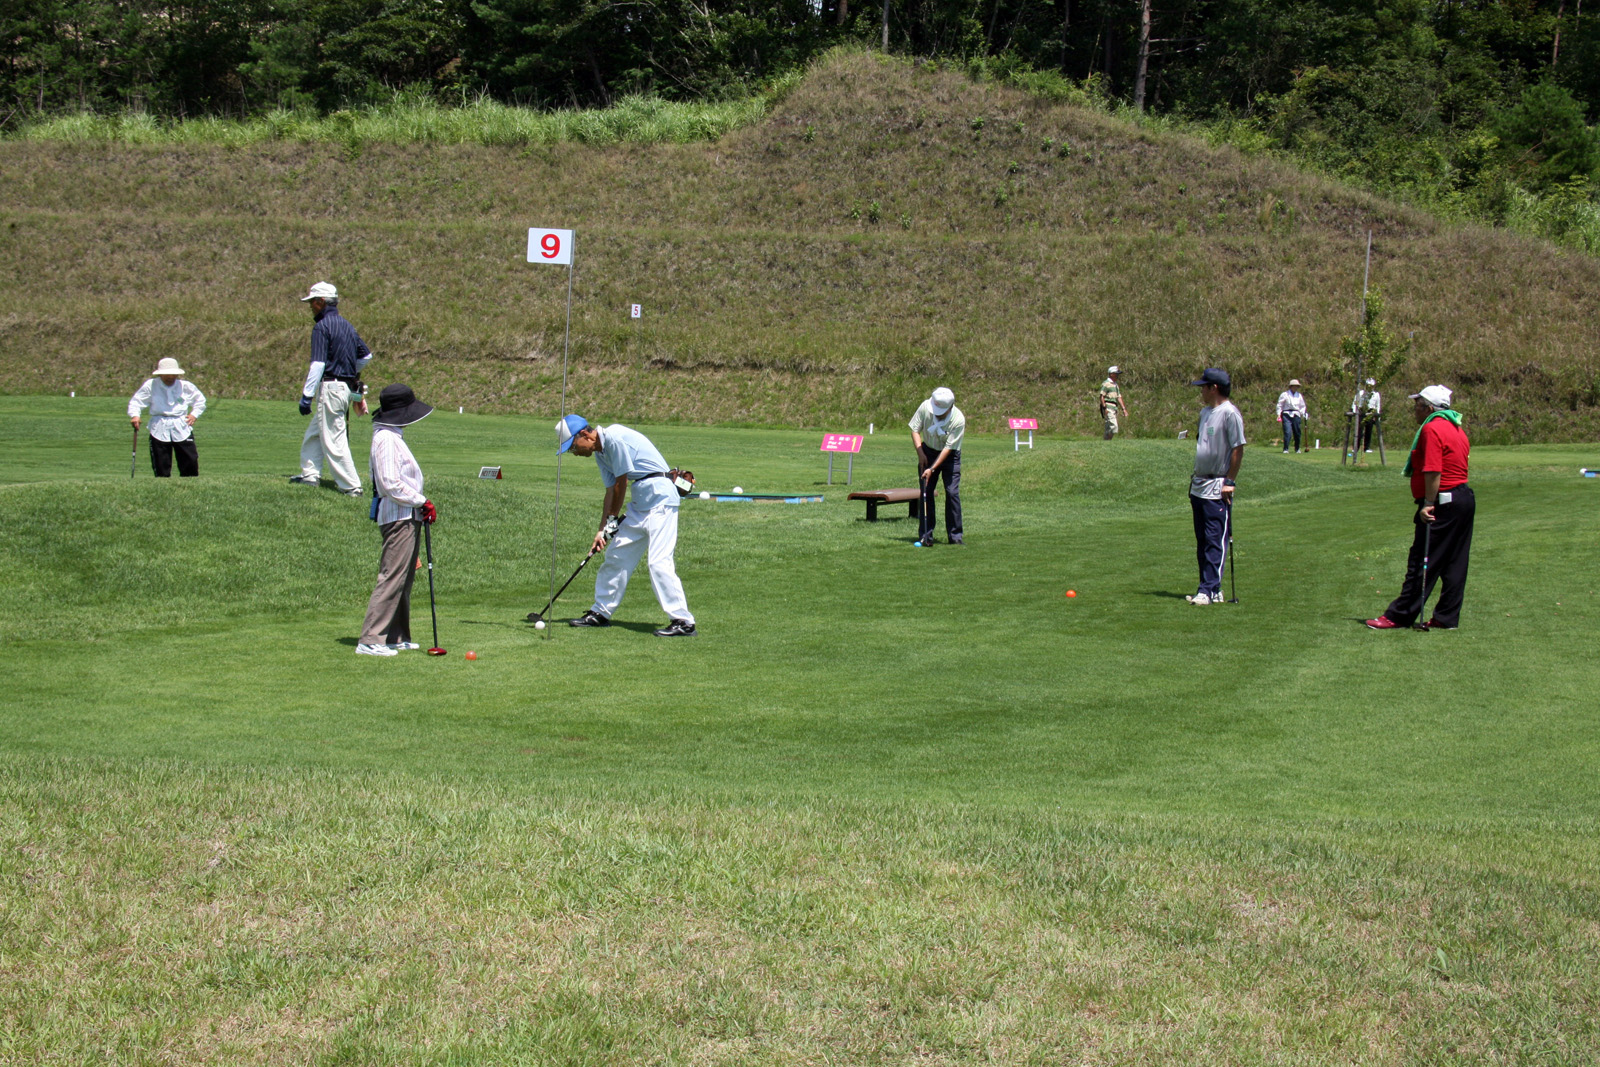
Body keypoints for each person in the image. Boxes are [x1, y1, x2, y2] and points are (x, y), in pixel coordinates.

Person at [556, 414, 696, 636]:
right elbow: (610, 491)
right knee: (616, 556)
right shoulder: (600, 453)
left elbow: (621, 482)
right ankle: (600, 613)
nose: (574, 452)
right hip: (640, 504)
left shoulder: (614, 438)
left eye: (573, 447)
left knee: (659, 562)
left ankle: (683, 621)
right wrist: (602, 530)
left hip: (661, 500)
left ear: (584, 434)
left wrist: (612, 522)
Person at [1366, 385, 1473, 631]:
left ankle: (1400, 615)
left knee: (1422, 560)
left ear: (1429, 408)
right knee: (1455, 561)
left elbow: (1433, 469)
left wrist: (1428, 503)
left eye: (1417, 405)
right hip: (1463, 498)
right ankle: (1446, 618)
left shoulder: (1432, 428)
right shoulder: (1456, 427)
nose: (1414, 409)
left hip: (1443, 500)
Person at [356, 384, 437, 657]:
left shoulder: (392, 435)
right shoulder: (386, 439)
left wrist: (418, 504)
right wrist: (421, 500)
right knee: (392, 576)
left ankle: (396, 635)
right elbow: (390, 483)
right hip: (397, 515)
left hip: (407, 514)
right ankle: (370, 639)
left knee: (404, 577)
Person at [292, 282, 371, 496]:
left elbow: (318, 364)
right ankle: (310, 475)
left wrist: (307, 396)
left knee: (334, 438)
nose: (310, 306)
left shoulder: (322, 327)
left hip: (331, 387)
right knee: (315, 432)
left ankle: (351, 486)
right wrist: (350, 370)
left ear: (321, 302)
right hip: (344, 388)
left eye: (312, 302)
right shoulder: (347, 325)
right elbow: (365, 355)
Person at [1185, 368, 1245, 605]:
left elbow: (1238, 448)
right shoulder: (1205, 413)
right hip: (1199, 484)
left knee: (1214, 538)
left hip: (1218, 484)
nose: (1201, 391)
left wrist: (1229, 481)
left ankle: (1208, 590)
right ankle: (1210, 587)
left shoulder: (1230, 414)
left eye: (1204, 387)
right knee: (1202, 540)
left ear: (1214, 388)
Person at [128, 357, 207, 477]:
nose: (170, 377)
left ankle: (190, 484)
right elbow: (137, 401)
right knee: (161, 460)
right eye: (167, 374)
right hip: (159, 424)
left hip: (181, 424)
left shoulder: (185, 386)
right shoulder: (151, 385)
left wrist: (194, 414)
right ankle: (162, 484)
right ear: (161, 374)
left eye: (173, 374)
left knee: (189, 459)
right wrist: (135, 416)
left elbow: (200, 401)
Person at [910, 386, 965, 545]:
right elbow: (915, 429)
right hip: (927, 451)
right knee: (926, 492)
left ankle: (955, 537)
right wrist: (920, 453)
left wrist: (932, 468)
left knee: (952, 492)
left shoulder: (958, 419)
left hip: (950, 456)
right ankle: (925, 536)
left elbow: (948, 448)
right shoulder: (925, 407)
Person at [1276, 378, 1308, 453]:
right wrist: (1278, 414)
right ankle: (1286, 448)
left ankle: (1297, 448)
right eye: (1294, 386)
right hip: (1286, 414)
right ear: (1291, 386)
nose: (1296, 387)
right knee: (1287, 432)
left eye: (1297, 386)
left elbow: (1302, 406)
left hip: (1296, 414)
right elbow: (1280, 405)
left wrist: (1304, 413)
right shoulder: (1285, 394)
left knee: (1297, 432)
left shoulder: (1299, 396)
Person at [1098, 366, 1129, 440]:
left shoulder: (1115, 385)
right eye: (1116, 374)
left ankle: (1106, 443)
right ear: (1111, 374)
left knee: (1108, 427)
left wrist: (1124, 409)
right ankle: (1107, 441)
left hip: (1114, 408)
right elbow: (1102, 396)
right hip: (1108, 407)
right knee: (1114, 427)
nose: (1117, 376)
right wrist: (1105, 408)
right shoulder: (1106, 384)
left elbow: (1119, 397)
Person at [1351, 377, 1380, 453]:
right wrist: (1355, 412)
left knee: (1368, 431)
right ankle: (1355, 447)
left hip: (1370, 412)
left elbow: (1378, 405)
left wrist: (1377, 416)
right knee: (1359, 431)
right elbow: (1355, 402)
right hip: (1361, 412)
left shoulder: (1376, 394)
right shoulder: (1361, 393)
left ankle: (1366, 448)